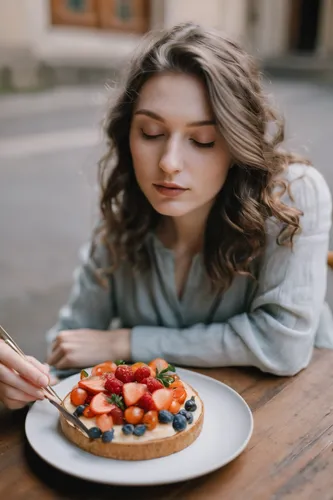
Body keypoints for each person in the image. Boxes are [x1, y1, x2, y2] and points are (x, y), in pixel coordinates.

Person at [1, 22, 333, 410]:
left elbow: (284, 345)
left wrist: (126, 342)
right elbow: (70, 346)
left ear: (237, 144)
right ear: (128, 135)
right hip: (165, 439)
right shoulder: (122, 221)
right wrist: (25, 382)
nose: (170, 163)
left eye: (202, 140)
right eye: (151, 132)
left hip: (300, 419)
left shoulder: (292, 194)